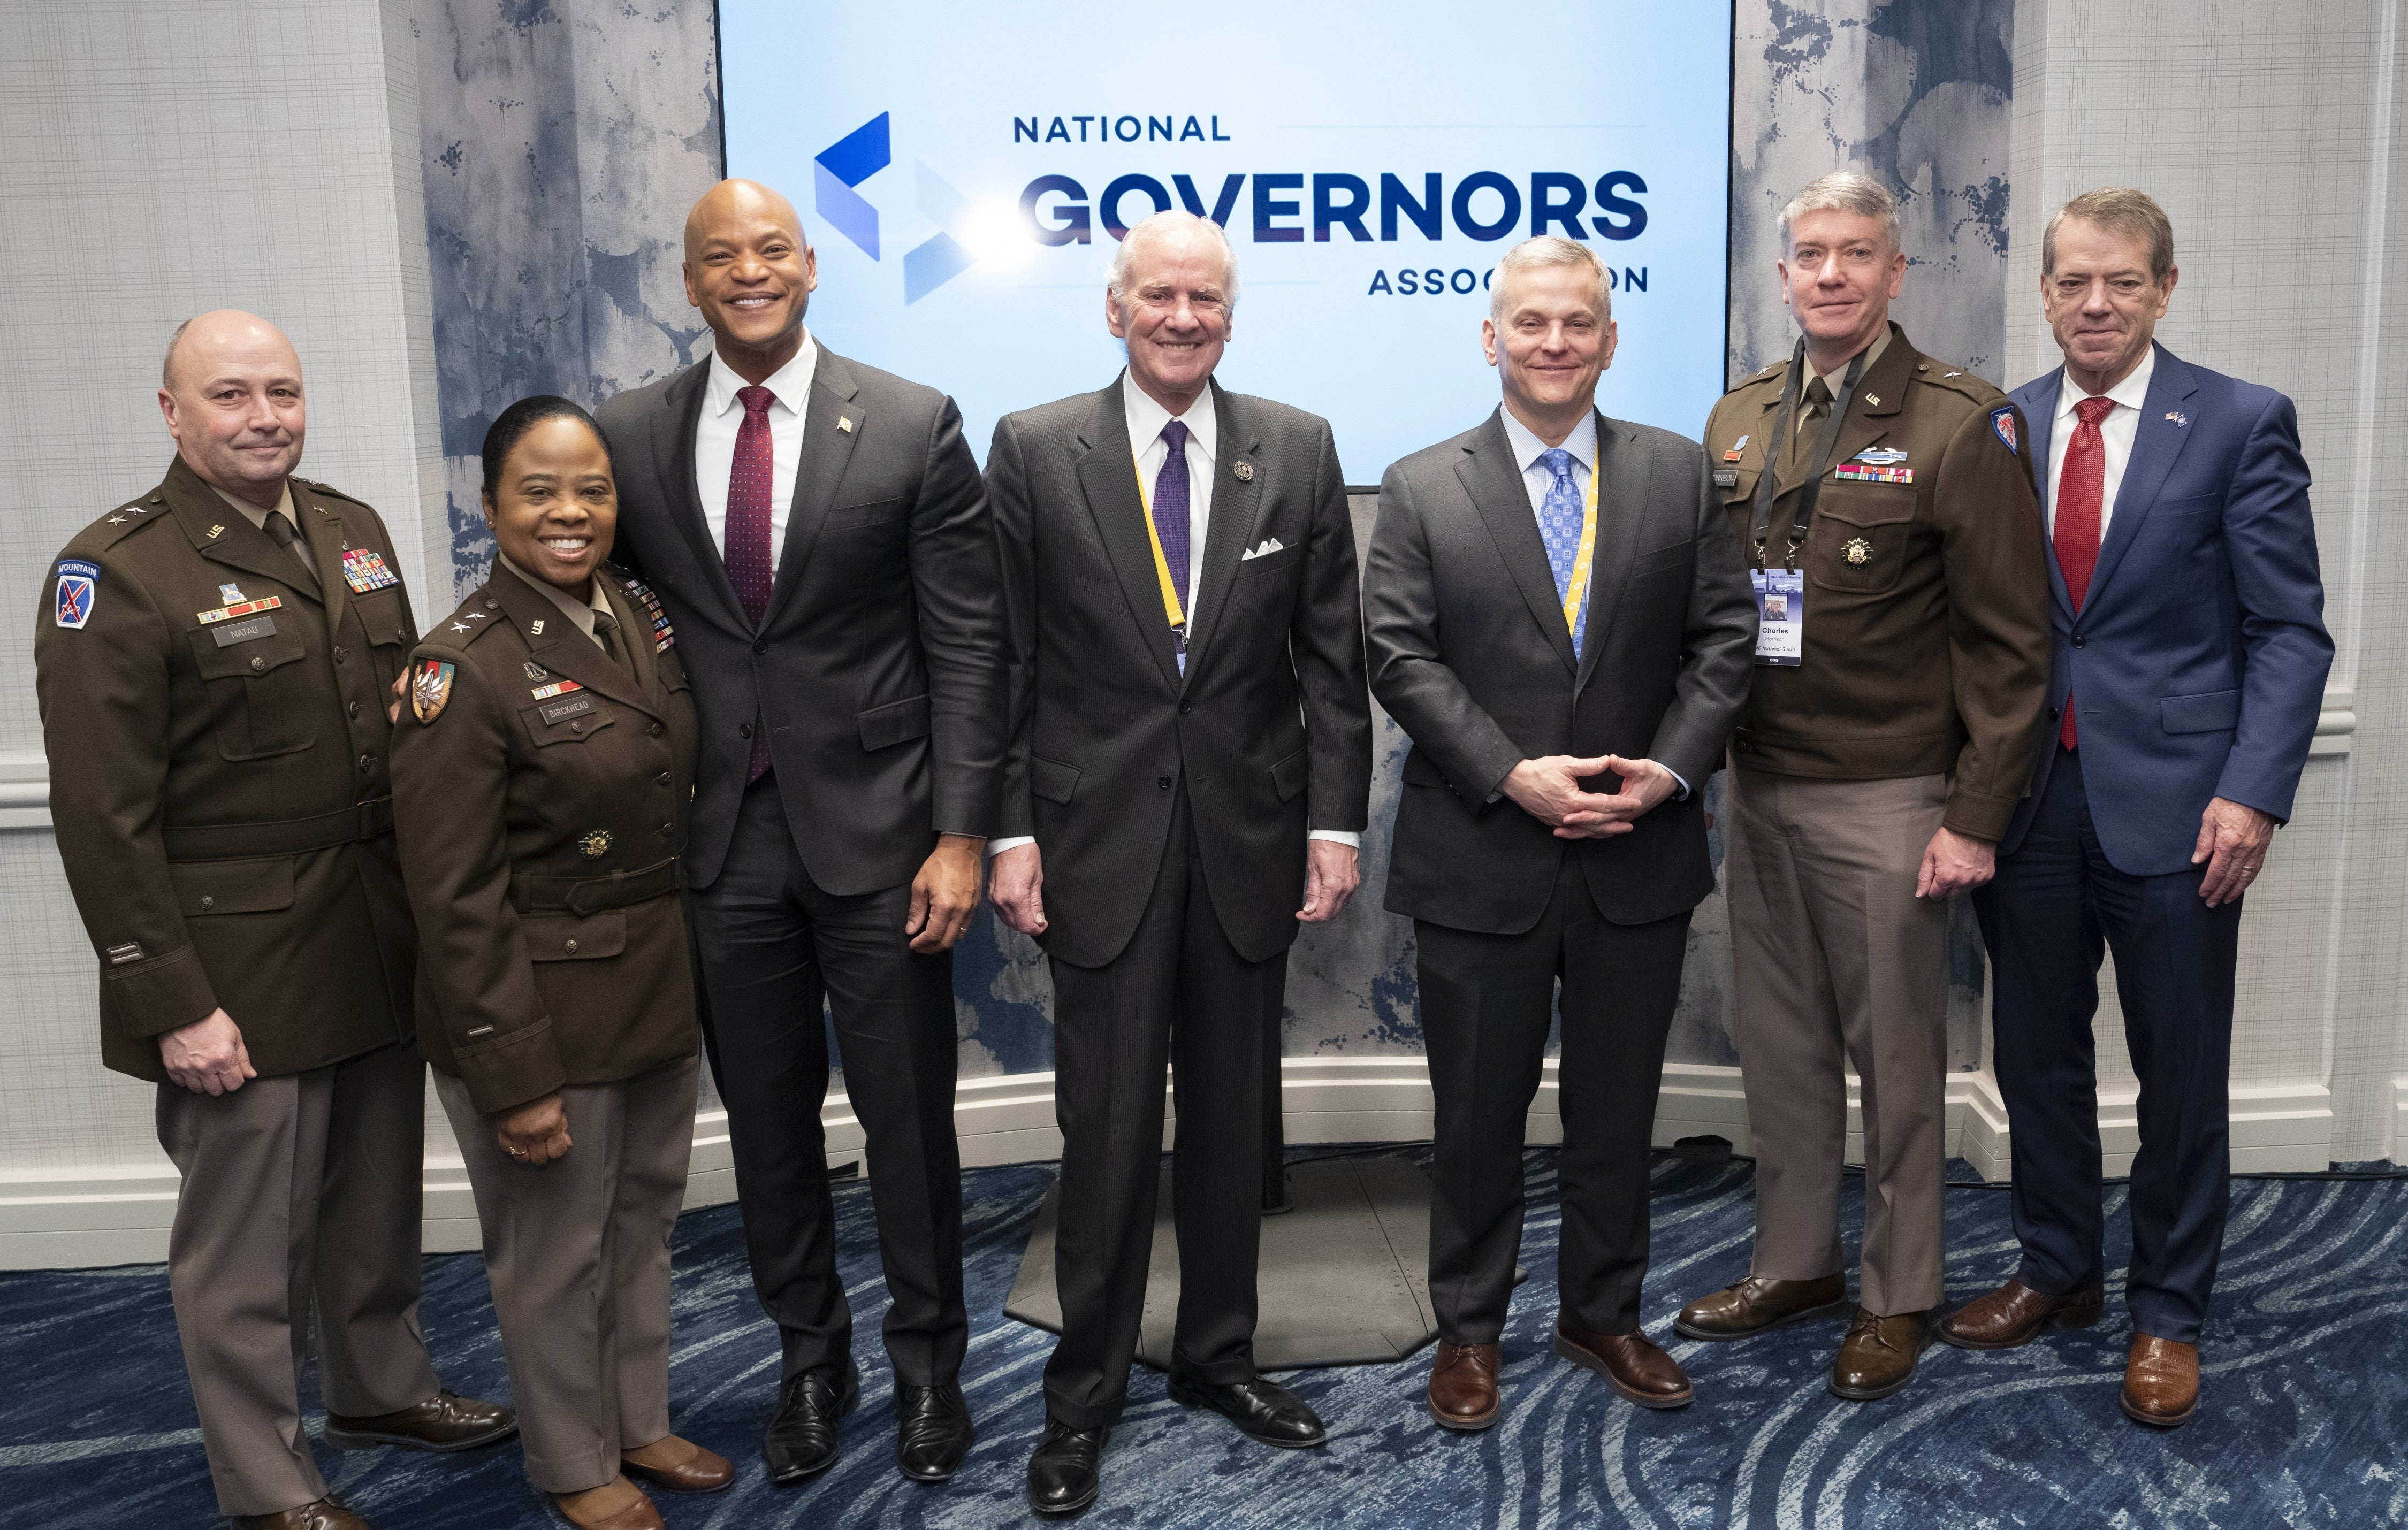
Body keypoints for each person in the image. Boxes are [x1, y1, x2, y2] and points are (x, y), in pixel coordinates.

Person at [34, 311, 512, 1530]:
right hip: (234, 963)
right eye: (233, 394)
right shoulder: (119, 574)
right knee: (246, 1246)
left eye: (283, 392)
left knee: (373, 1197)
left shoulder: (351, 530)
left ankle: (382, 1387)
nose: (264, 417)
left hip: (370, 927)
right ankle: (265, 1477)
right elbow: (103, 817)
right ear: (173, 411)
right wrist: (171, 999)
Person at [590, 179, 1004, 1488]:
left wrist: (961, 835)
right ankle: (808, 1361)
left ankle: (930, 1364)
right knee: (768, 1129)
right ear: (691, 281)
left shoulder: (911, 419)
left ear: (813, 264)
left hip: (887, 840)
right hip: (719, 848)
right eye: (724, 257)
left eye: (772, 248)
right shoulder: (631, 434)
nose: (750, 272)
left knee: (908, 1122)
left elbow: (969, 644)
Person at [985, 209, 1373, 1515]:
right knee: (1103, 1137)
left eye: (1206, 297)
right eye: (1159, 295)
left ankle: (1219, 1353)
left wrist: (1334, 823)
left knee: (1228, 1121)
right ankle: (1080, 1395)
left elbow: (1333, 659)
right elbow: (1007, 659)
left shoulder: (1298, 447)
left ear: (1230, 310)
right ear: (1116, 308)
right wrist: (1010, 828)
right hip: (1094, 841)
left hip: (1250, 839)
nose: (1183, 317)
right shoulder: (1037, 449)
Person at [1941, 189, 2331, 1427]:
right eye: (2072, 283)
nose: (2095, 304)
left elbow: (2288, 629)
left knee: (2180, 1065)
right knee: (2037, 1053)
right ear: (2047, 292)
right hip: (2030, 798)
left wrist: (2251, 790)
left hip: (2181, 805)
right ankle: (2059, 1267)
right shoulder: (2004, 424)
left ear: (2166, 287)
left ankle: (2169, 1307)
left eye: (2121, 282)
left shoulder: (2238, 420)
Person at [1362, 237, 1756, 1429]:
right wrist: (1508, 772)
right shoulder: (1424, 481)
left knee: (1615, 1103)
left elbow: (1723, 643)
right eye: (1529, 323)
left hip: (1636, 852)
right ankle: (1470, 1330)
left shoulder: (1682, 475)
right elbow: (1397, 652)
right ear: (1491, 338)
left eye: (1576, 323)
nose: (1552, 342)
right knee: (1475, 1114)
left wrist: (1671, 774)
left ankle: (1602, 1311)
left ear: (1610, 339)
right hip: (1482, 851)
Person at [1675, 172, 2053, 1400]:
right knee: (1780, 1051)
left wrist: (1973, 816)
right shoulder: (1738, 418)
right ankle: (1795, 1260)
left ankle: (1898, 1289)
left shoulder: (1961, 423)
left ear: (1898, 273)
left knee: (1896, 1062)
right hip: (1762, 784)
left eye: (1856, 255)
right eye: (1809, 254)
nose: (1830, 274)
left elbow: (2010, 647)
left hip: (1893, 795)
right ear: (1781, 274)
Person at [388, 396, 731, 1529]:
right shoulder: (461, 667)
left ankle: (637, 1417)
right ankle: (572, 1458)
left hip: (650, 990)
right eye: (539, 490)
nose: (571, 510)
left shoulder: (634, 613)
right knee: (552, 1252)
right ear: (490, 505)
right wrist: (513, 1072)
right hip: (539, 1012)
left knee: (642, 1225)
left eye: (591, 487)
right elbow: (452, 894)